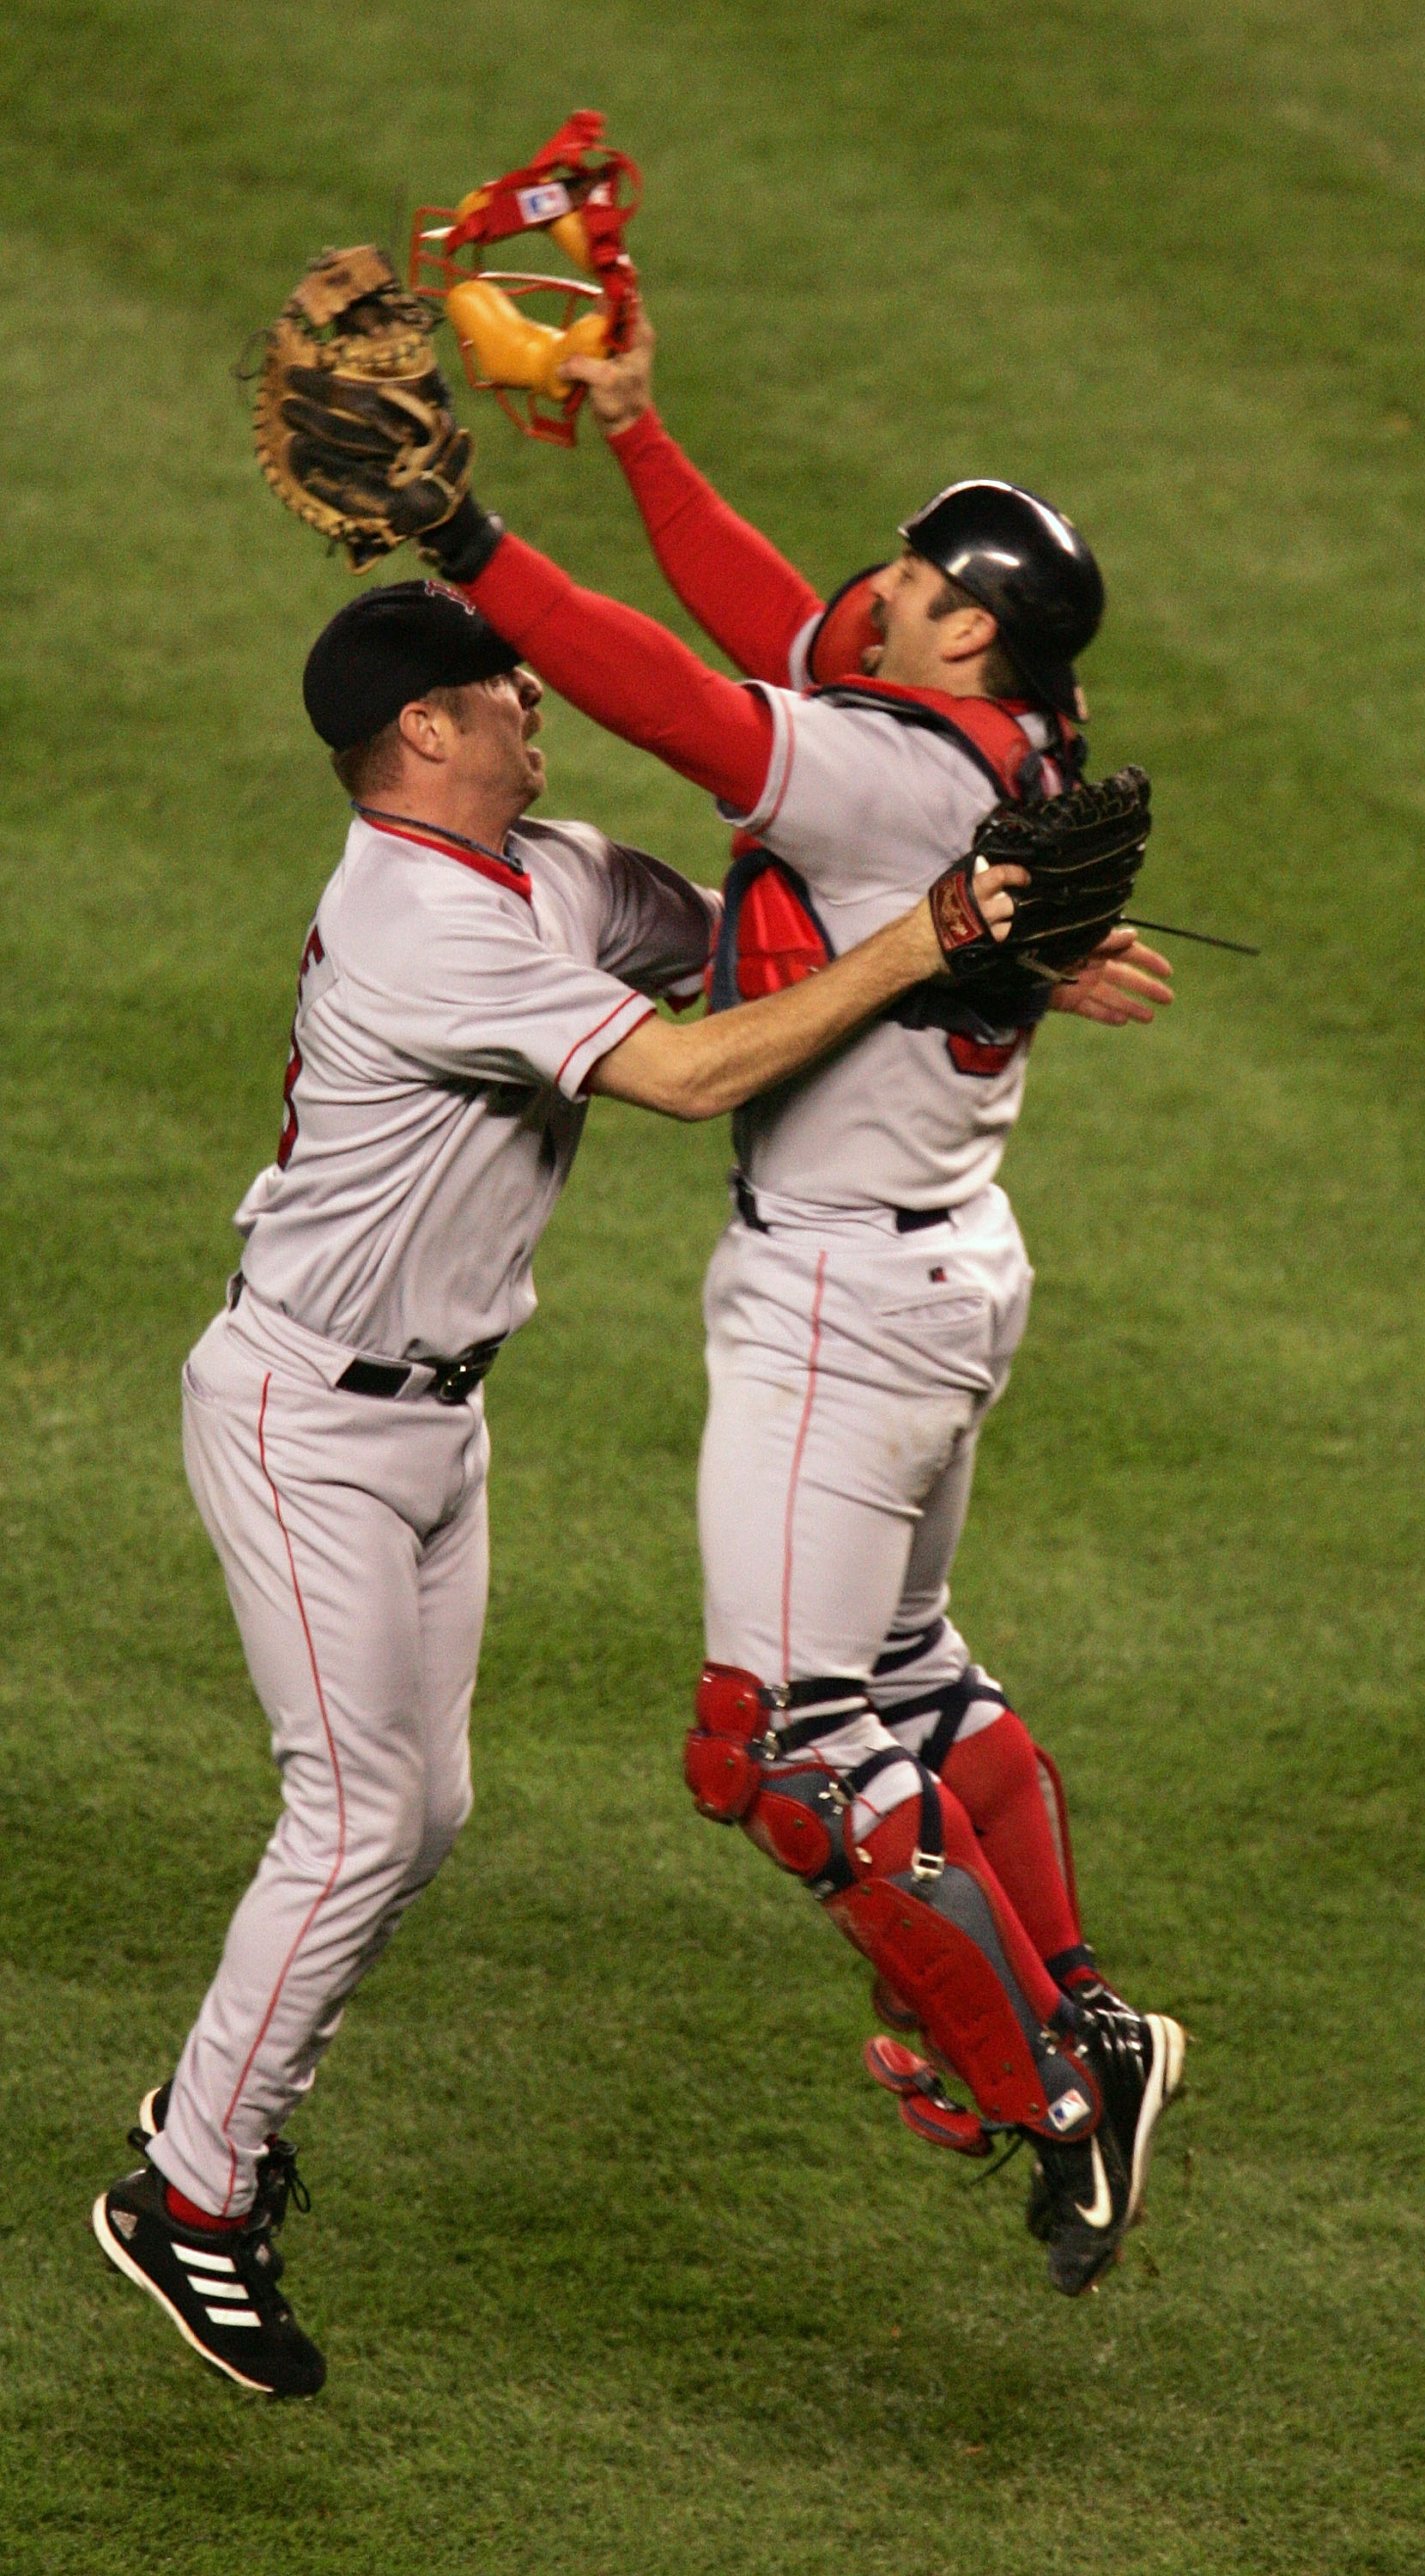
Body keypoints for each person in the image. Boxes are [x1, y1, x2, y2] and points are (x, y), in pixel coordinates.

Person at [90, 577, 1035, 2397]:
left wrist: (1015, 952)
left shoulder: (563, 870)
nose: (537, 694)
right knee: (358, 1818)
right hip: (304, 1418)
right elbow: (688, 1072)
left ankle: (216, 2123)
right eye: (497, 683)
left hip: (437, 1424)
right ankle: (189, 2195)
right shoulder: (410, 923)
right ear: (423, 733)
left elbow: (763, 965)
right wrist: (922, 944)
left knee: (415, 1817)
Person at [387, 308, 1188, 2299]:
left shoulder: (898, 786)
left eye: (913, 584)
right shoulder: (1012, 740)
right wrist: (646, 440)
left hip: (842, 1302)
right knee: (910, 1680)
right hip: (946, 1265)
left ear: (972, 638)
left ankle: (1050, 2108)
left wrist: (468, 540)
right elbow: (782, 633)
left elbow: (679, 693)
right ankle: (1085, 2016)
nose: (873, 593)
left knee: (781, 1746)